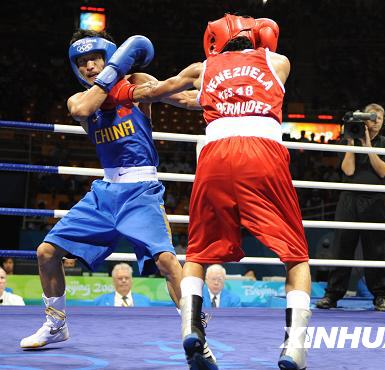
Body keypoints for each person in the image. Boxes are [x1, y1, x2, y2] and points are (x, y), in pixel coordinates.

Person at [132, 14, 312, 370]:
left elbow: (160, 92)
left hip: (216, 156)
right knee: (295, 257)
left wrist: (121, 84)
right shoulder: (278, 62)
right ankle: (294, 347)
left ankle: (191, 328)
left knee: (197, 251)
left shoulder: (203, 68)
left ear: (214, 40)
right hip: (263, 154)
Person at [19, 29, 185, 349]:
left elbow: (179, 95)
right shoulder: (78, 101)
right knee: (46, 253)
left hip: (141, 189)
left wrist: (212, 88)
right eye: (82, 62)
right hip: (105, 191)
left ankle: (194, 325)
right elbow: (84, 109)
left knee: (166, 261)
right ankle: (56, 323)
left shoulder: (135, 82)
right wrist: (116, 65)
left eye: (95, 58)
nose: (89, 66)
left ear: (108, 55)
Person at [316, 103, 385, 312]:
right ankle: (332, 296)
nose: (376, 121)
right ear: (364, 119)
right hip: (349, 200)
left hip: (374, 201)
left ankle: (380, 296)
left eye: (380, 117)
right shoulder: (347, 140)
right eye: (372, 117)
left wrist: (367, 143)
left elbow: (383, 172)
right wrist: (353, 141)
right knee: (341, 249)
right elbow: (348, 171)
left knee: (376, 251)